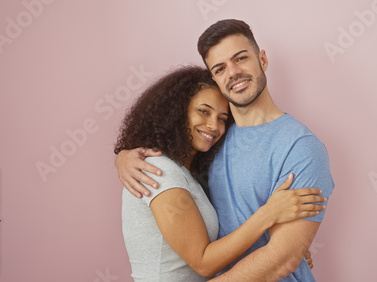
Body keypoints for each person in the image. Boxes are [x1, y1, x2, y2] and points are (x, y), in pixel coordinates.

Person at [116, 19, 334, 281]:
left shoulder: (301, 148)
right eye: (220, 68)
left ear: (262, 60)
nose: (232, 72)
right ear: (215, 79)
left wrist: (295, 242)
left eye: (240, 58)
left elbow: (282, 260)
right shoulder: (210, 141)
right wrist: (124, 156)